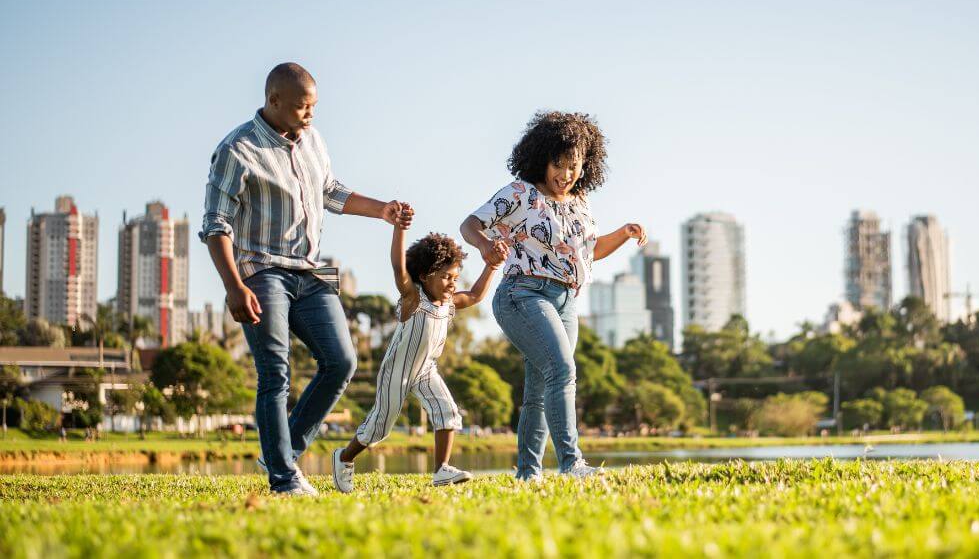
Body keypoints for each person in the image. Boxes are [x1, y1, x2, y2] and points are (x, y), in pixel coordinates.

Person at [200, 62, 410, 496]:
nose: (309, 115)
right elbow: (216, 225)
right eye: (301, 107)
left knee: (342, 361)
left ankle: (283, 448)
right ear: (273, 100)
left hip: (311, 271)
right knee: (275, 372)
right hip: (261, 272)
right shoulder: (237, 149)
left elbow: (330, 190)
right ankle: (283, 478)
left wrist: (382, 210)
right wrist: (233, 286)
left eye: (314, 106)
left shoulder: (313, 140)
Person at [460, 111, 646, 482]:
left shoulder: (581, 201)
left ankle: (528, 475)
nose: (566, 174)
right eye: (558, 164)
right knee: (562, 370)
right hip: (523, 294)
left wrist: (623, 233)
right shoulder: (520, 193)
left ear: (585, 165)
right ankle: (571, 463)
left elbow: (588, 250)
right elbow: (470, 224)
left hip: (566, 302)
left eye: (574, 166)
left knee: (539, 390)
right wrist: (485, 247)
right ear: (541, 159)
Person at [332, 214, 507, 491]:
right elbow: (398, 267)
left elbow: (474, 295)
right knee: (380, 425)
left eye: (455, 277)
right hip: (398, 370)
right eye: (446, 277)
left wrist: (492, 265)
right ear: (424, 276)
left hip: (427, 370)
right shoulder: (413, 299)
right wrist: (399, 230)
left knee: (447, 412)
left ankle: (441, 470)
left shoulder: (448, 304)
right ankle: (344, 457)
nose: (452, 283)